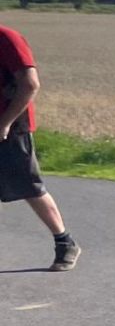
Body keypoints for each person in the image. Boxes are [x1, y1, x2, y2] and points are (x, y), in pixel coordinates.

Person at [0, 23, 80, 271]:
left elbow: (30, 84)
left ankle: (65, 242)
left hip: (11, 124)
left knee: (29, 186)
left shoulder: (7, 38)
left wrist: (5, 123)